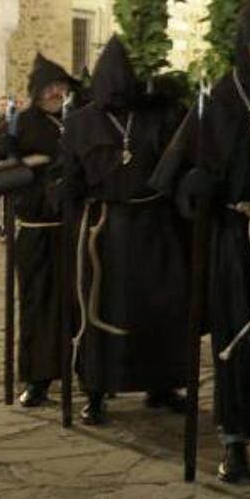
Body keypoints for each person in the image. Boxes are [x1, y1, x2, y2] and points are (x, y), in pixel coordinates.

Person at [151, 0, 250, 483]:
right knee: (241, 339)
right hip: (237, 237)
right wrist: (195, 187)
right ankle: (235, 441)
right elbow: (180, 171)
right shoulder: (219, 99)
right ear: (242, 47)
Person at [60, 37, 190, 425]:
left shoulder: (155, 116)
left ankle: (162, 384)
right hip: (108, 232)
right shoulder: (80, 123)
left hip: (155, 228)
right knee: (104, 307)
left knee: (160, 309)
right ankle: (97, 391)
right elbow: (71, 178)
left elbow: (179, 158)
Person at [4, 55, 77, 406]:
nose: (55, 92)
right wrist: (27, 167)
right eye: (48, 88)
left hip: (70, 230)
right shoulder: (23, 124)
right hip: (35, 230)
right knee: (36, 306)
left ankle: (84, 375)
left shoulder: (76, 119)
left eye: (60, 86)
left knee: (75, 305)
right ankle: (37, 380)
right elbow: (0, 167)